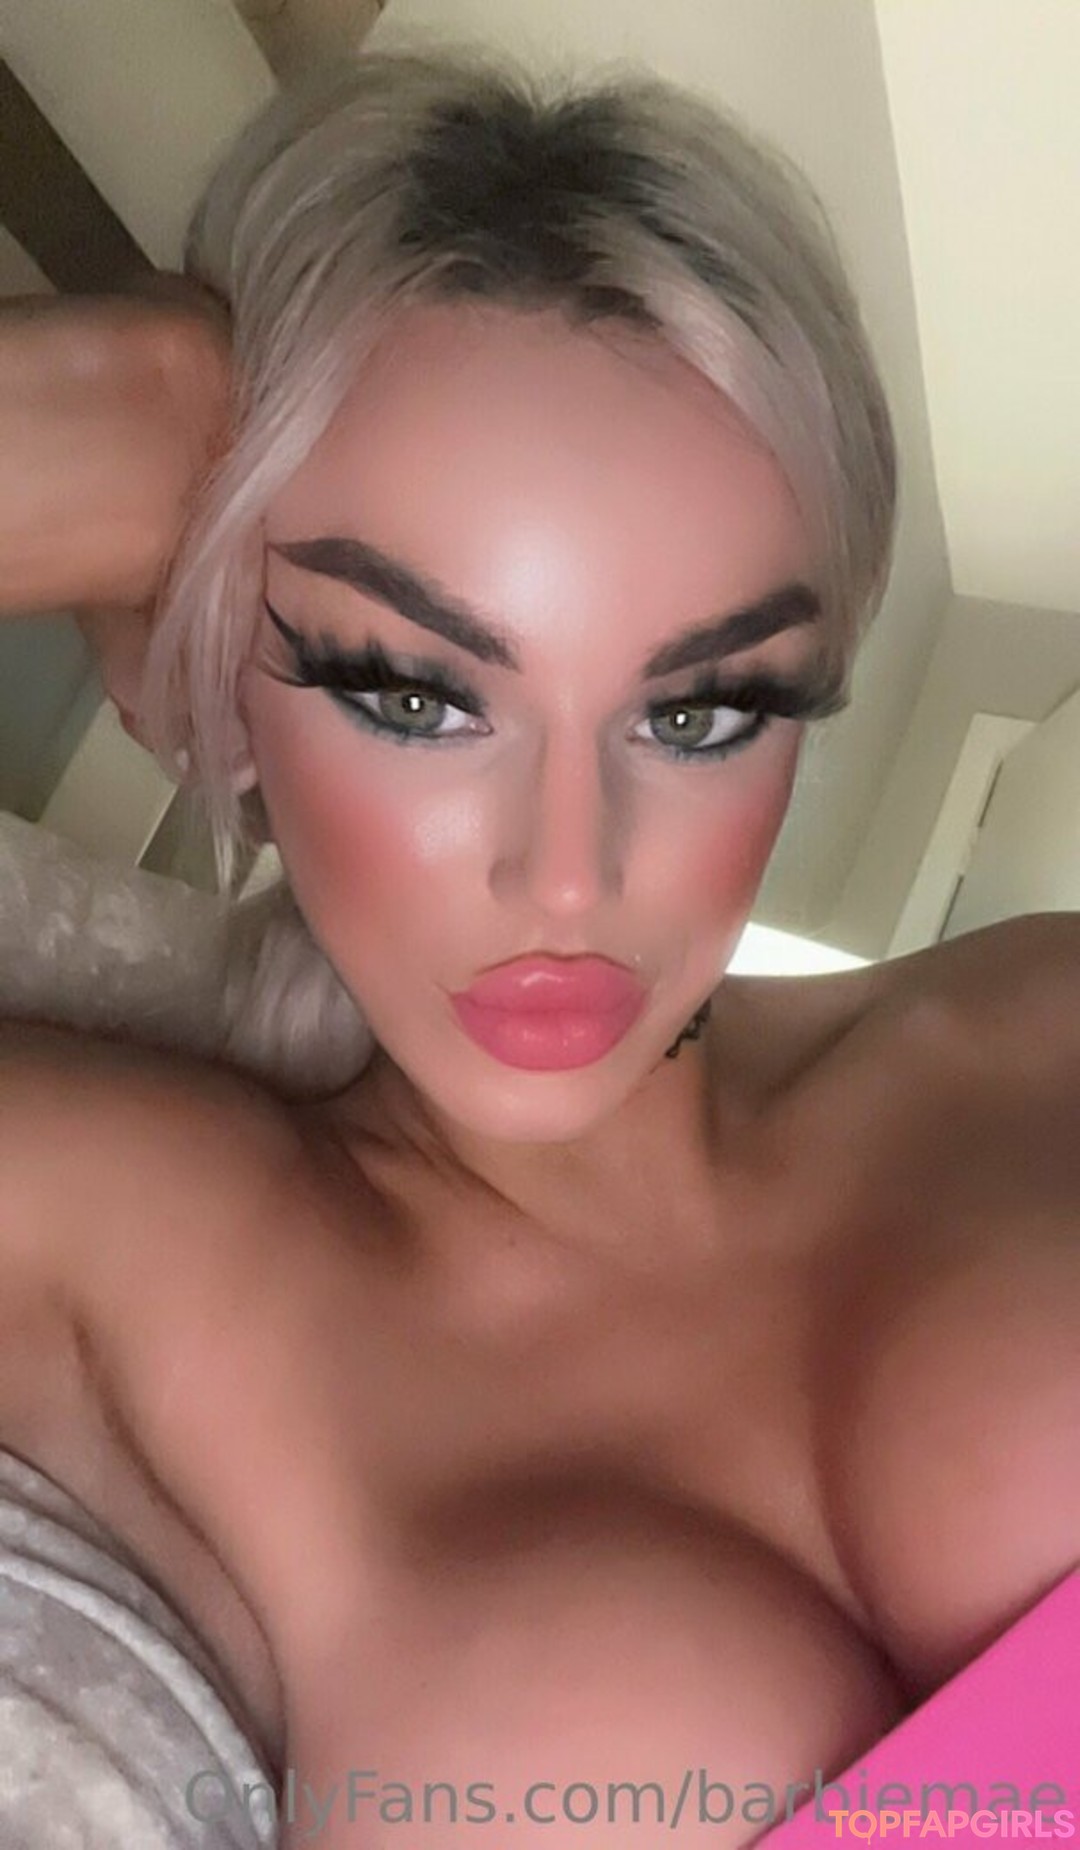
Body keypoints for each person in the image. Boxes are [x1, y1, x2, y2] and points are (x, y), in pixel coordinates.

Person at [1, 42, 1078, 1850]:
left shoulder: (1044, 1019)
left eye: (703, 710)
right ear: (229, 692)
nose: (568, 876)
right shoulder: (134, 1234)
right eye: (414, 695)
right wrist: (108, 417)